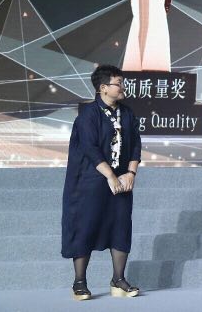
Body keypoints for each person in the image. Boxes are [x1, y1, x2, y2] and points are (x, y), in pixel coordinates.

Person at [61, 64, 141, 300]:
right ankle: (79, 282)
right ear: (103, 88)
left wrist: (130, 173)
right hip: (90, 181)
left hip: (121, 182)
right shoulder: (88, 114)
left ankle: (118, 280)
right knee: (86, 226)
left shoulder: (127, 113)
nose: (123, 87)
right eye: (119, 83)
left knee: (121, 226)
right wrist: (110, 176)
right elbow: (90, 148)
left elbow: (136, 144)